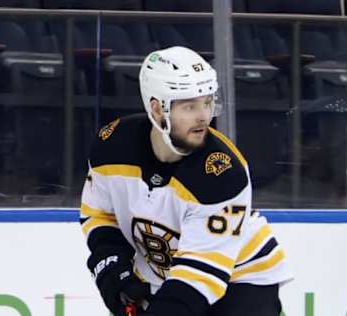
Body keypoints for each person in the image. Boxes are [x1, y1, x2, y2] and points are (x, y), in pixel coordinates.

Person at [80, 46, 293, 316]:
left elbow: (201, 275)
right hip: (168, 275)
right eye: (189, 105)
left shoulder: (222, 172)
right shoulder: (111, 146)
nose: (204, 116)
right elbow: (99, 215)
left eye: (207, 102)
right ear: (157, 109)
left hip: (242, 277)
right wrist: (113, 272)